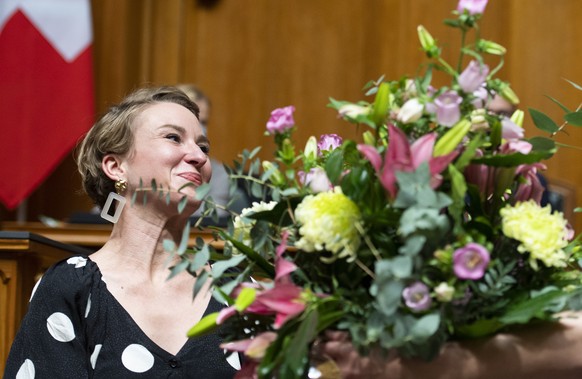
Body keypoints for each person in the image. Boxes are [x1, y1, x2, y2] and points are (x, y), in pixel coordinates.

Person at [4, 86, 239, 378]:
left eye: (203, 147)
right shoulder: (74, 288)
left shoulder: (236, 288)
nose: (198, 156)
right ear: (116, 167)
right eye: (173, 137)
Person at [175, 83, 250, 223]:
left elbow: (207, 222)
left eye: (203, 121)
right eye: (191, 118)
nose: (199, 127)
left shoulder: (219, 174)